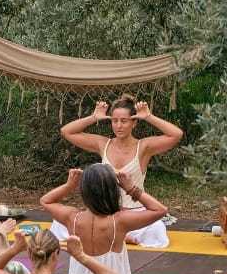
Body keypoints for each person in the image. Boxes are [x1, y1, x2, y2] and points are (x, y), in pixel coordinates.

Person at [39, 164, 180, 274]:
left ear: (84, 191)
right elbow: (160, 210)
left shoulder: (72, 218)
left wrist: (69, 186)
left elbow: (45, 200)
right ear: (113, 191)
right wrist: (131, 188)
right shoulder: (119, 221)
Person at [60, 96, 184, 247]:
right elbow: (67, 131)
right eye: (114, 120)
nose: (118, 125)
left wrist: (149, 116)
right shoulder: (103, 144)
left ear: (134, 122)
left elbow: (176, 134)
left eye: (124, 121)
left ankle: (117, 235)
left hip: (134, 214)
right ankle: (120, 235)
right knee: (60, 225)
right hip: (107, 214)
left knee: (156, 229)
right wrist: (93, 117)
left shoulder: (144, 147)